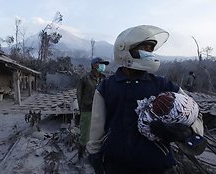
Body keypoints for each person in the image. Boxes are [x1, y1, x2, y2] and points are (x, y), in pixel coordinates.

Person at [86, 25, 205, 174]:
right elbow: (97, 126)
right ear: (125, 50)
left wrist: (186, 132)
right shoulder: (106, 87)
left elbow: (195, 113)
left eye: (150, 49)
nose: (148, 53)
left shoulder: (163, 85)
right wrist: (95, 154)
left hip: (157, 165)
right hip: (116, 164)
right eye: (144, 48)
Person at [76, 57, 109, 161]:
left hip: (101, 110)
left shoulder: (105, 79)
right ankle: (80, 156)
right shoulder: (85, 78)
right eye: (101, 64)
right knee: (85, 135)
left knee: (99, 134)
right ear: (94, 65)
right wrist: (81, 110)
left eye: (104, 64)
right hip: (87, 110)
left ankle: (94, 156)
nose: (103, 66)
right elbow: (79, 95)